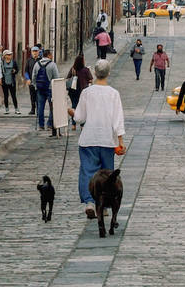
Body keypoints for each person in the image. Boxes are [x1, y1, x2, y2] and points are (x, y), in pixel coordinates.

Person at [70, 57, 125, 216]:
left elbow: (79, 118)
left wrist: (71, 112)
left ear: (94, 73)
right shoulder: (114, 94)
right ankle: (104, 205)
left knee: (88, 171)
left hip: (89, 139)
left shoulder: (87, 93)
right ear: (108, 73)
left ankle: (90, 202)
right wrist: (120, 141)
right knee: (107, 175)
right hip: (107, 140)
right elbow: (118, 119)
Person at [33, 52, 59, 132]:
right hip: (50, 88)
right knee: (52, 107)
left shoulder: (37, 64)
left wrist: (35, 86)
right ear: (49, 55)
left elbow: (33, 76)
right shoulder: (52, 64)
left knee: (40, 107)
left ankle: (41, 125)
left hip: (40, 88)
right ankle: (49, 124)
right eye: (51, 55)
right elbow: (56, 77)